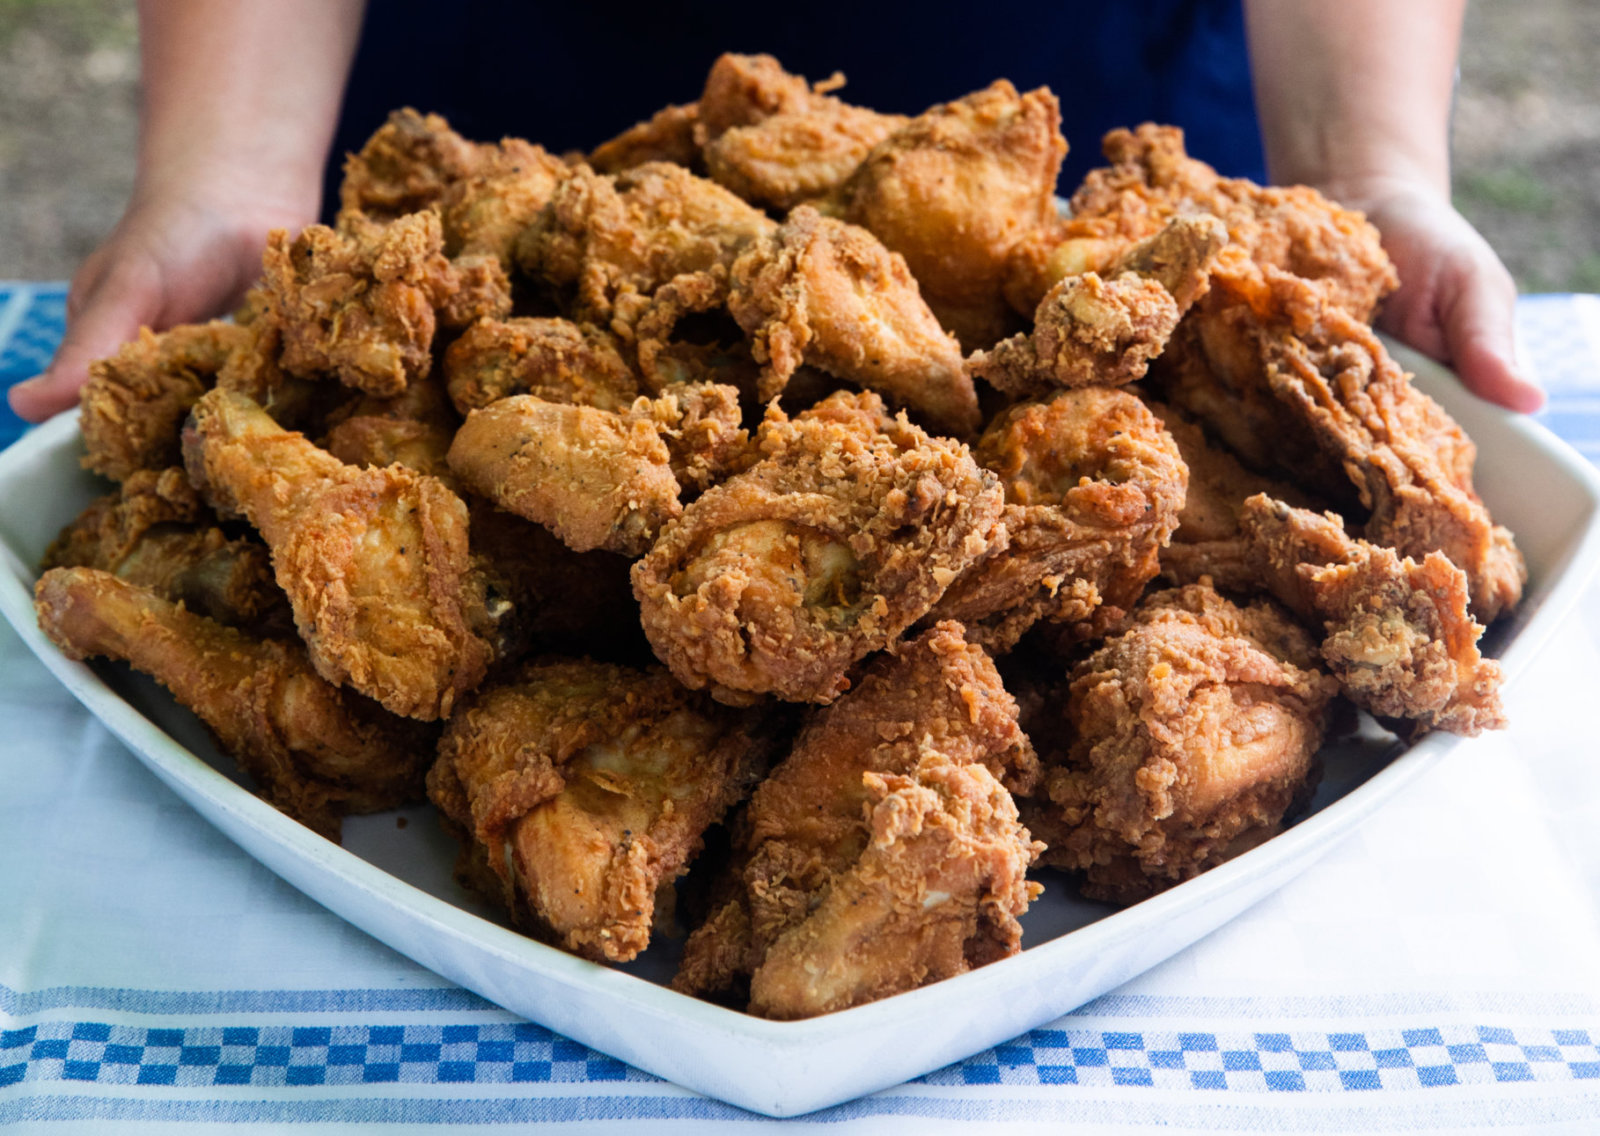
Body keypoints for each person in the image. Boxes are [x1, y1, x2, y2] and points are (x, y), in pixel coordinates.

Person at [5, 0, 1546, 423]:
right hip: (506, 137)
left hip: (1089, 149)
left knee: (1171, 362)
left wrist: (1357, 183)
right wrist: (228, 177)